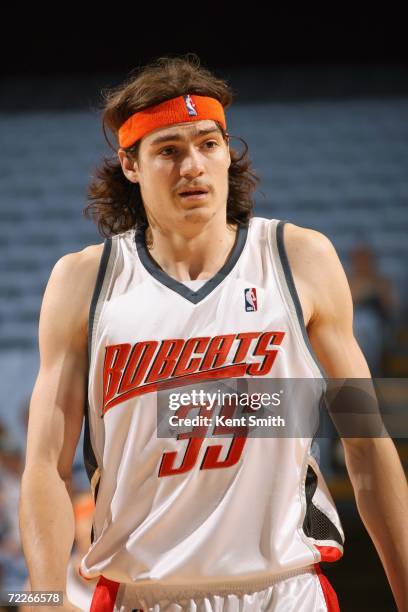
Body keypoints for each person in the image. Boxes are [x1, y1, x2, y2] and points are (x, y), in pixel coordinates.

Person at [19, 54, 408, 612]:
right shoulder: (84, 281)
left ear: (228, 152)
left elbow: (368, 441)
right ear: (131, 165)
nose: (193, 166)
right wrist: (43, 594)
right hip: (144, 593)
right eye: (168, 150)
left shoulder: (299, 259)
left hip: (285, 588)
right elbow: (45, 466)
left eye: (207, 143)